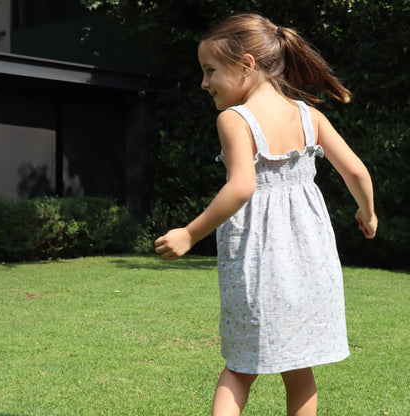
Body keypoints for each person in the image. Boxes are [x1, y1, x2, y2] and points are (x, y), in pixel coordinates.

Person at [155, 13, 377, 416]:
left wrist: (189, 233)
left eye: (210, 71)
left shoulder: (234, 119)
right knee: (299, 366)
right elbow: (357, 171)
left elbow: (242, 186)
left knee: (240, 368)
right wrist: (369, 213)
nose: (204, 83)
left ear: (246, 64)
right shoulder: (311, 117)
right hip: (311, 265)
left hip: (259, 266)